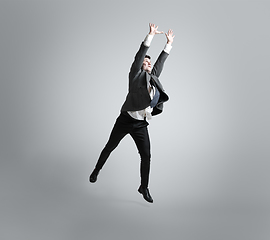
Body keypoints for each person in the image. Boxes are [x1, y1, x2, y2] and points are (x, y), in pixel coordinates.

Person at [89, 23, 175, 203]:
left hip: (140, 124)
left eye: (149, 62)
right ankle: (96, 170)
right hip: (125, 120)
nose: (148, 63)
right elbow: (139, 57)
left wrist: (168, 44)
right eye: (146, 62)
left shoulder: (153, 78)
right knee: (110, 146)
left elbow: (160, 62)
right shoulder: (135, 76)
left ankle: (144, 187)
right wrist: (150, 36)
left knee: (146, 156)